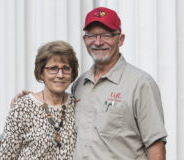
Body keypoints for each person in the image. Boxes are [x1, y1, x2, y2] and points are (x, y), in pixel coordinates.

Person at [11, 7, 167, 160]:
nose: (98, 42)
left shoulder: (140, 84)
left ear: (120, 39)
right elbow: (59, 112)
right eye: (91, 35)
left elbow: (155, 145)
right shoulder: (79, 85)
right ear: (84, 39)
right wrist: (33, 102)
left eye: (106, 35)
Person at [0, 40, 79, 159]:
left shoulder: (77, 105)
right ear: (41, 73)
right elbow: (6, 156)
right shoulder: (23, 107)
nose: (60, 75)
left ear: (72, 73)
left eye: (66, 68)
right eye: (53, 68)